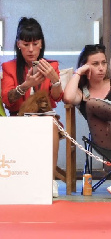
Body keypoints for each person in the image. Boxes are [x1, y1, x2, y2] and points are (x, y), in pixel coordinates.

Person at [1, 17, 63, 198]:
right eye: (26, 44)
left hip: (47, 119)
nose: (30, 49)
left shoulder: (52, 66)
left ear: (41, 44)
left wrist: (55, 80)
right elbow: (8, 100)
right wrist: (26, 85)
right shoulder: (9, 67)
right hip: (18, 120)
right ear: (18, 44)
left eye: (35, 44)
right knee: (43, 123)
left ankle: (50, 180)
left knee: (49, 124)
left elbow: (57, 97)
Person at [62, 44, 111, 198]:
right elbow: (68, 98)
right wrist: (78, 73)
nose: (101, 68)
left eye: (104, 63)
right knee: (91, 103)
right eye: (95, 64)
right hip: (107, 141)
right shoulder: (82, 91)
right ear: (85, 66)